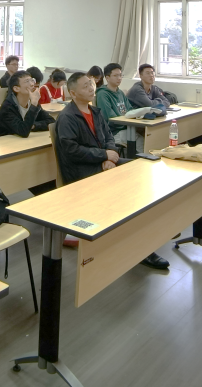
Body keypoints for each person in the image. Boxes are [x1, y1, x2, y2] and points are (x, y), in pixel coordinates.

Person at [55, 72, 170, 270]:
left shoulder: (95, 112)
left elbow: (109, 136)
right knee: (128, 191)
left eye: (91, 84)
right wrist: (103, 156)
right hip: (82, 170)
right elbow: (71, 151)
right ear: (73, 93)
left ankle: (147, 234)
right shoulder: (67, 117)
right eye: (85, 86)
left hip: (101, 162)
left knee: (140, 171)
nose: (91, 88)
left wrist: (109, 156)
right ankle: (141, 248)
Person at [0, 70, 54, 138]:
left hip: (24, 141)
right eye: (27, 81)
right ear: (16, 88)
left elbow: (51, 122)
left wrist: (33, 125)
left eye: (32, 80)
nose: (32, 84)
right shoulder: (7, 107)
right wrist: (34, 105)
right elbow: (23, 131)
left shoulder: (32, 102)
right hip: (7, 142)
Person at [95, 63, 132, 148]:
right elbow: (110, 118)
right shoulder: (102, 94)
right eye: (115, 75)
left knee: (148, 136)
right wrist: (128, 123)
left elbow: (130, 110)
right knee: (144, 145)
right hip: (114, 133)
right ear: (107, 78)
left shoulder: (120, 93)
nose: (119, 78)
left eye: (120, 75)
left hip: (127, 128)